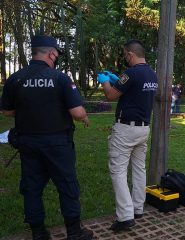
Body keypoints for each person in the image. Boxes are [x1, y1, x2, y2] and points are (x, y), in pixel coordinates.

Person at [0, 35, 93, 240]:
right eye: (57, 54)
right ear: (51, 53)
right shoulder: (60, 78)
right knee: (67, 186)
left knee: (32, 189)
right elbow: (77, 112)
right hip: (57, 144)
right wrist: (84, 117)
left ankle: (39, 233)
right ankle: (75, 233)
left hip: (28, 143)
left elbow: (7, 112)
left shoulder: (15, 78)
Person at [96, 39, 158, 232]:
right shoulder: (152, 75)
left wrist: (106, 81)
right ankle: (138, 208)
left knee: (118, 171)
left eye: (125, 55)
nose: (125, 59)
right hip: (143, 128)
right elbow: (132, 91)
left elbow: (111, 96)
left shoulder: (130, 73)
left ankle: (125, 217)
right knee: (139, 169)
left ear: (130, 54)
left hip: (125, 130)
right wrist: (117, 80)